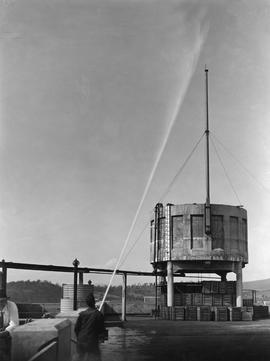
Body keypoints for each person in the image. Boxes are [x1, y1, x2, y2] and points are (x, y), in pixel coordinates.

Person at [74, 293, 106, 361]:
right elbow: (102, 330)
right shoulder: (98, 314)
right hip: (92, 341)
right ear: (94, 302)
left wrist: (79, 338)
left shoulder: (82, 314)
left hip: (81, 341)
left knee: (80, 358)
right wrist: (101, 338)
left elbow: (76, 328)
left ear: (86, 303)